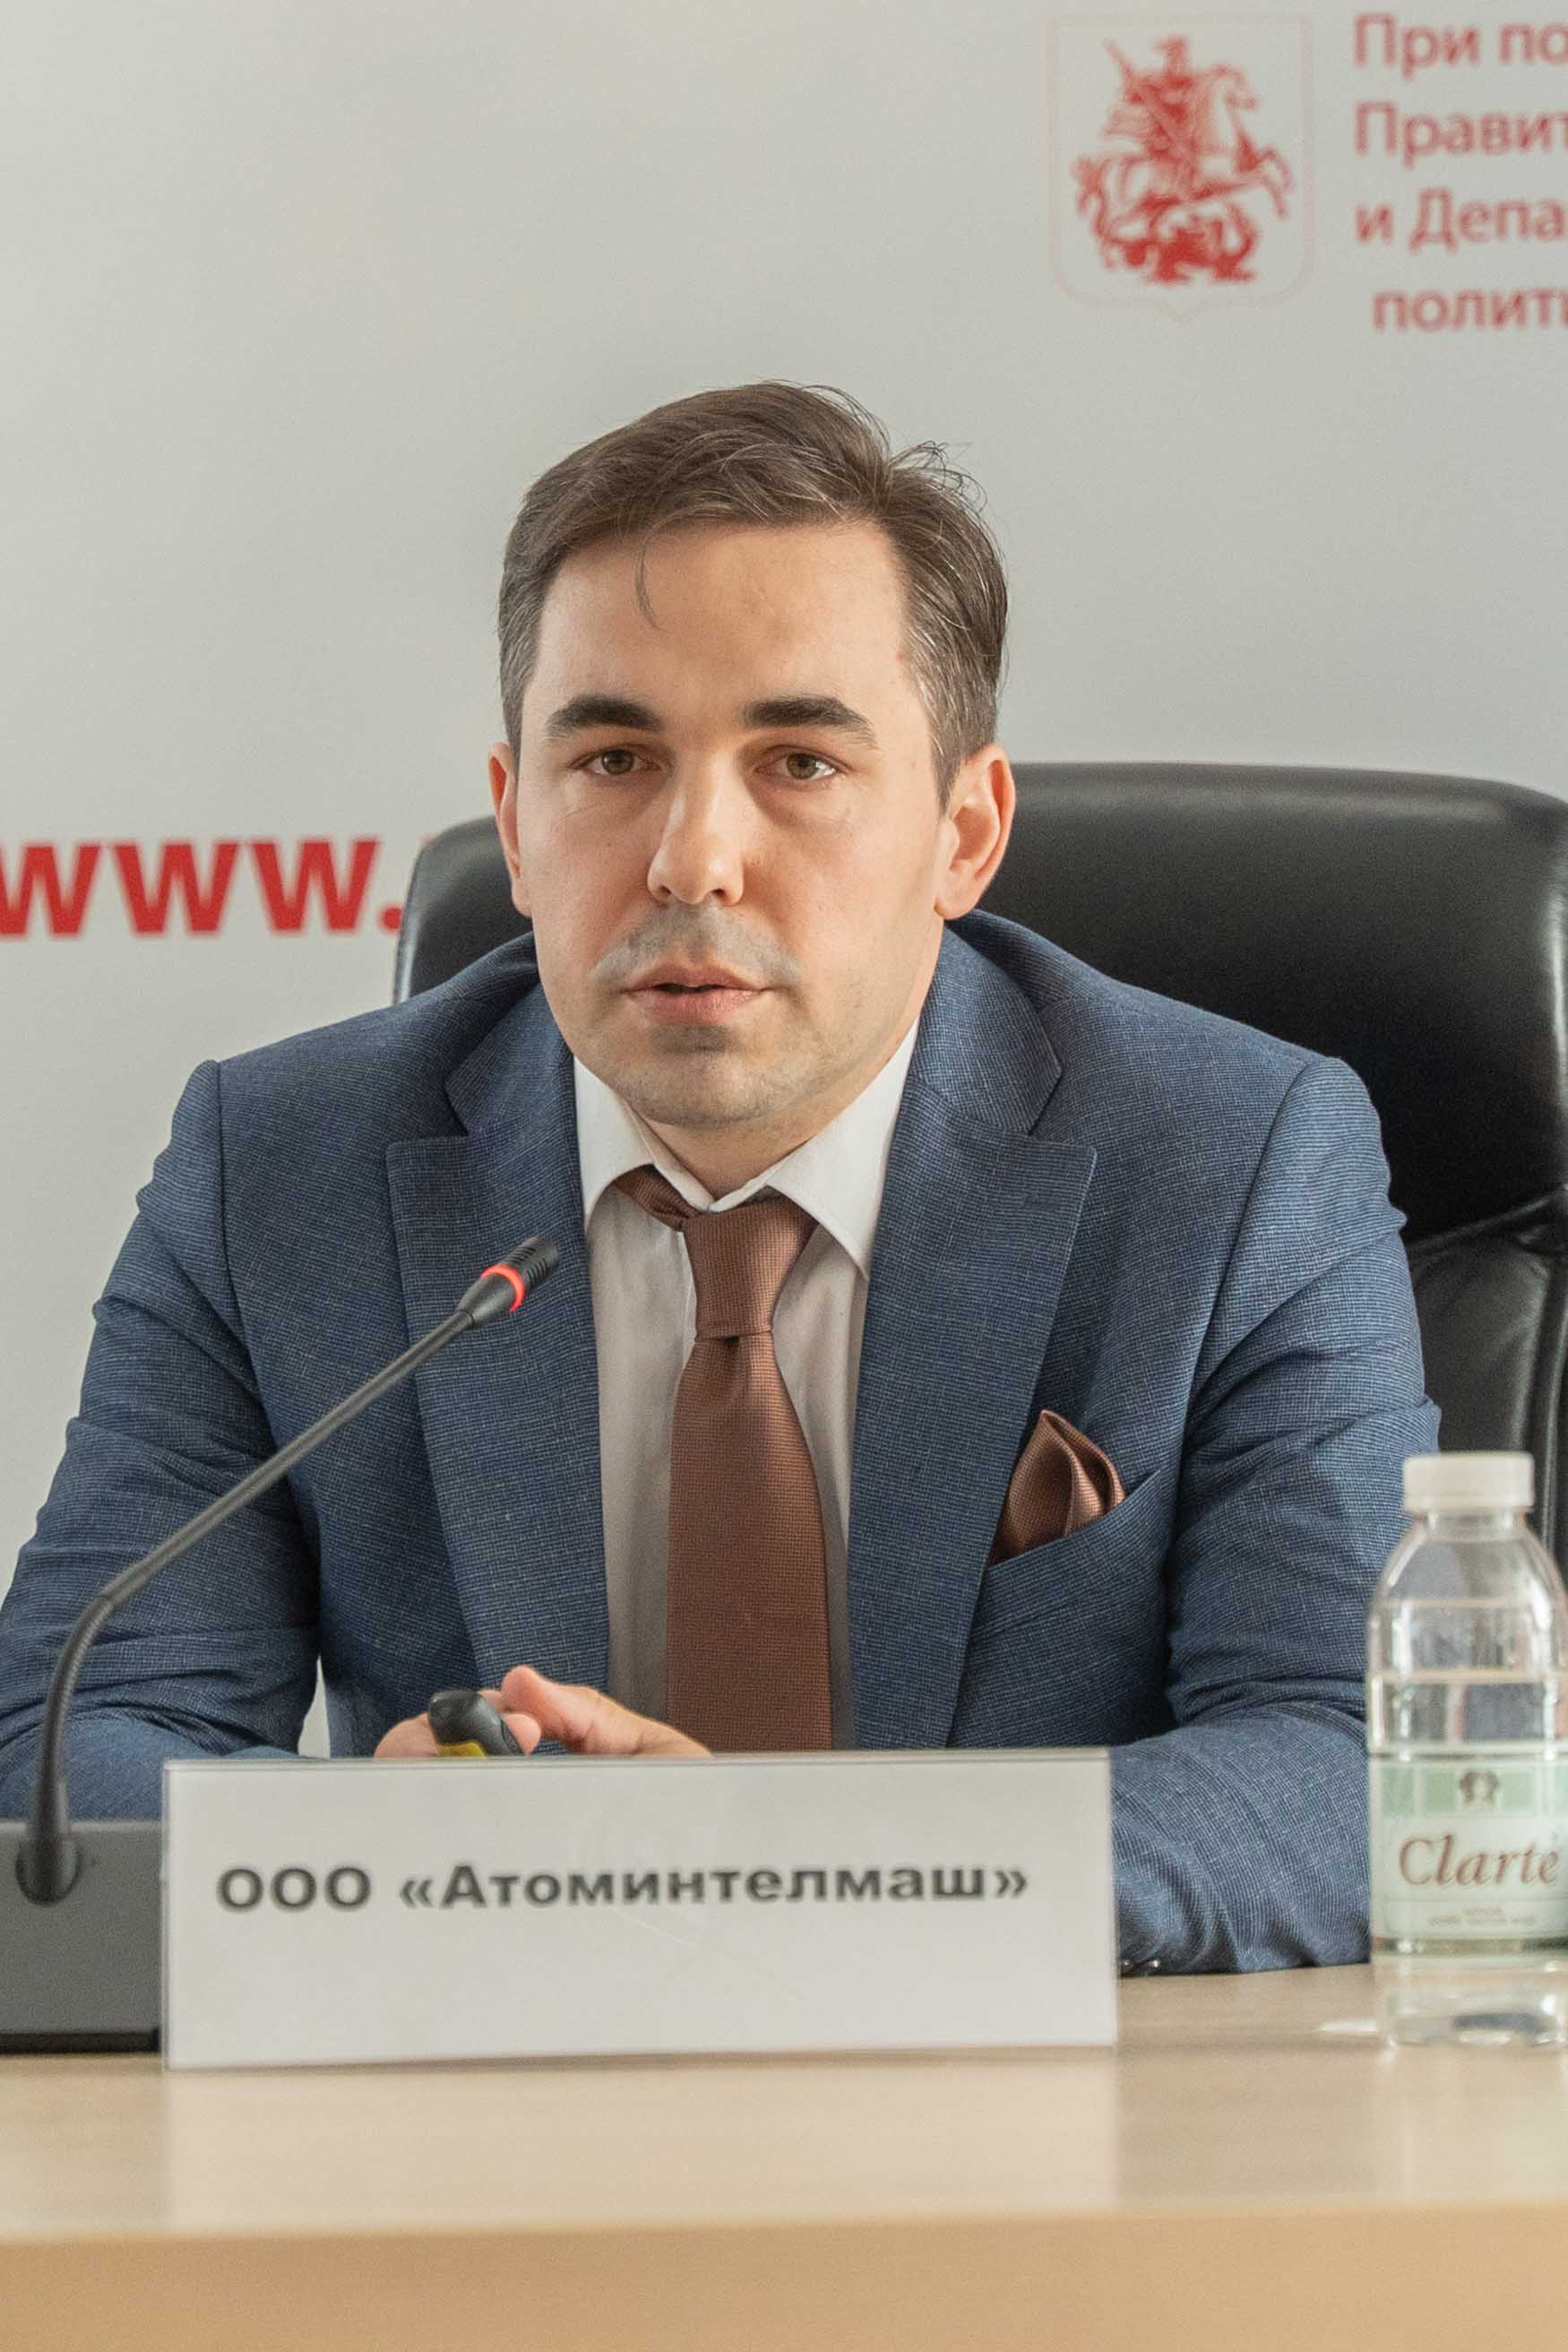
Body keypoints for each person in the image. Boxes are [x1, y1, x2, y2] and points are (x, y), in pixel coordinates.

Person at [0, 381, 1437, 1972]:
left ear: (964, 833)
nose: (691, 857)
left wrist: (783, 1874)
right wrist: (368, 1856)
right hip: (491, 2080)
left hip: (1014, 2090)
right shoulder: (278, 1173)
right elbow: (79, 1739)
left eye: (798, 762)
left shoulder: (1233, 1159)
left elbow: (1347, 1756)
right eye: (614, 758)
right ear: (515, 824)